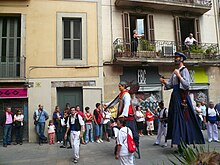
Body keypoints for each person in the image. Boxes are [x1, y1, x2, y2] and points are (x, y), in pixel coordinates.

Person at [160, 52, 205, 152]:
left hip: (182, 97)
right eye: (175, 57)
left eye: (177, 57)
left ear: (181, 59)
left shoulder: (184, 70)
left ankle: (184, 144)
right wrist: (164, 82)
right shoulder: (175, 71)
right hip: (175, 96)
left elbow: (186, 85)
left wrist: (179, 76)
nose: (175, 59)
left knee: (182, 119)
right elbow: (170, 85)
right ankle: (179, 143)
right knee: (176, 119)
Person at [105, 82, 139, 149]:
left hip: (128, 116)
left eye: (120, 86)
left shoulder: (126, 94)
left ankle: (135, 144)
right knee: (120, 131)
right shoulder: (121, 94)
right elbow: (114, 101)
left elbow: (127, 104)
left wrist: (124, 114)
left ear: (123, 86)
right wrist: (107, 104)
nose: (119, 88)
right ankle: (121, 144)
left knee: (132, 131)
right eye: (119, 86)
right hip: (122, 116)